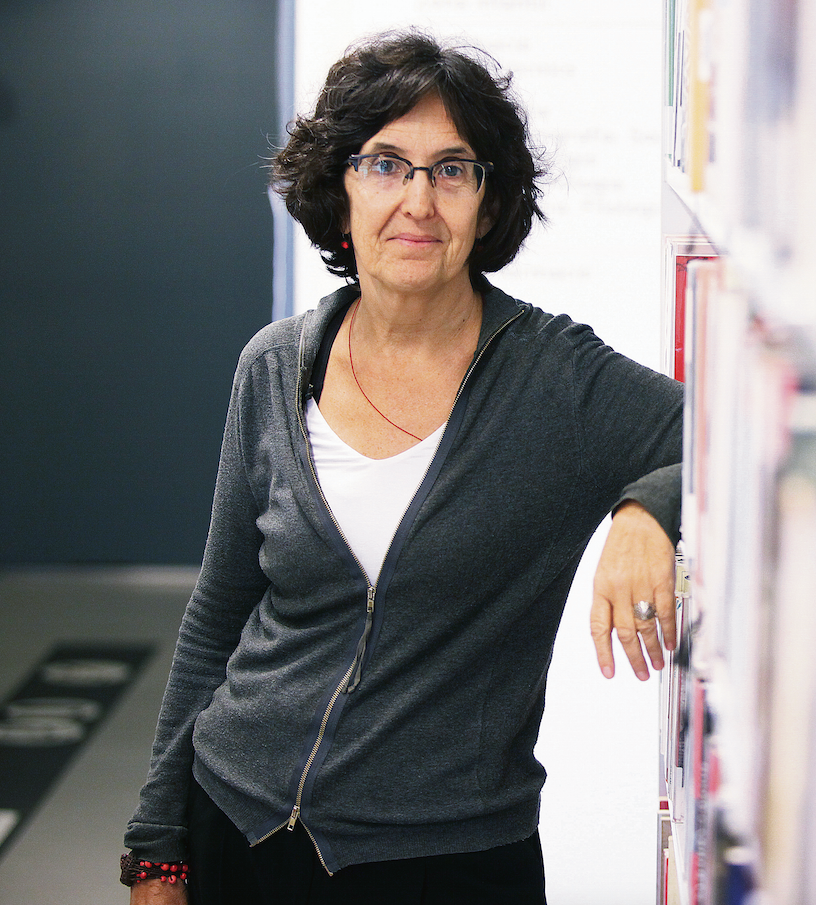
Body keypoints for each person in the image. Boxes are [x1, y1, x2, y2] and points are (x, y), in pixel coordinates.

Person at [122, 29, 682, 904]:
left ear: (487, 204)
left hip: (449, 860)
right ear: (338, 190)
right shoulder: (273, 367)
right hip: (239, 823)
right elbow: (217, 617)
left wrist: (646, 507)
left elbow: (717, 433)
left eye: (451, 169)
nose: (417, 200)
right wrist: (157, 846)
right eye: (385, 164)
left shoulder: (554, 377)